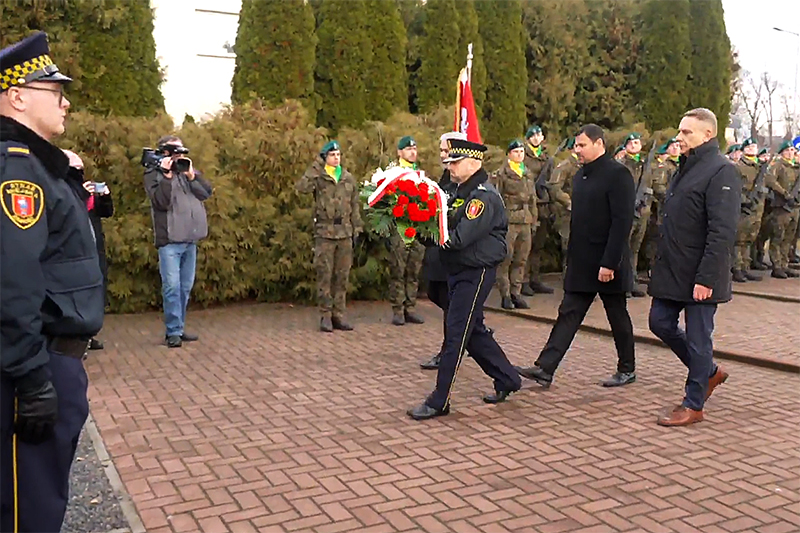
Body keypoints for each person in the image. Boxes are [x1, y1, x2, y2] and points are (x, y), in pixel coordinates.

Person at [1, 31, 105, 533]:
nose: (65, 101)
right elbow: (12, 281)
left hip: (53, 359)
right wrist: (31, 378)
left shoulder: (42, 166)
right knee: (29, 511)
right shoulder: (16, 171)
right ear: (17, 96)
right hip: (36, 363)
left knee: (41, 498)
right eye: (53, 89)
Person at [407, 138, 521, 420]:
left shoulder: (482, 197)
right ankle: (507, 377)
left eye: (455, 163)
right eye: (448, 162)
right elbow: (441, 224)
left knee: (457, 332)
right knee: (472, 329)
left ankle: (439, 400)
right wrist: (415, 226)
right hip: (457, 270)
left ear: (475, 163)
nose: (450, 167)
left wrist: (428, 233)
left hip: (475, 271)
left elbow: (457, 239)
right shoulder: (458, 191)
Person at [516, 124, 636, 389]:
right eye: (576, 145)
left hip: (608, 262)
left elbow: (621, 222)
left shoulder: (618, 175)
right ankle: (545, 368)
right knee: (568, 313)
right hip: (582, 261)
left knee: (617, 315)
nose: (577, 150)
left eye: (582, 145)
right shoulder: (581, 176)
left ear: (599, 144)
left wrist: (609, 262)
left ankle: (627, 368)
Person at [648, 108, 740, 427]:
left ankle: (693, 403)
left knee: (700, 340)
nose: (680, 137)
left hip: (701, 274)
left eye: (687, 132)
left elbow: (722, 230)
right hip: (673, 269)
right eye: (680, 130)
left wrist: (707, 278)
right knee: (659, 322)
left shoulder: (721, 171)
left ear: (707, 135)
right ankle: (709, 373)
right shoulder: (684, 169)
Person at [144, 135, 212, 347]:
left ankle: (179, 328)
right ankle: (172, 331)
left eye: (182, 152)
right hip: (170, 241)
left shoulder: (185, 170)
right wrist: (166, 175)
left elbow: (206, 193)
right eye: (175, 153)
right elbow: (161, 202)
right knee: (172, 287)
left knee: (184, 287)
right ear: (164, 153)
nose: (179, 157)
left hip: (190, 239)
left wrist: (191, 175)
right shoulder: (153, 174)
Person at [296, 141, 363, 332]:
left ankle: (338, 315)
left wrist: (357, 228)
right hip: (325, 233)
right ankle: (325, 315)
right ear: (325, 157)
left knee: (342, 277)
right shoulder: (319, 177)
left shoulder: (348, 178)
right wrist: (316, 166)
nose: (336, 158)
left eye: (338, 154)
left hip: (344, 233)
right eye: (332, 154)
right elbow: (301, 187)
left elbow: (354, 205)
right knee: (325, 275)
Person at [64, 149, 114, 350]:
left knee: (97, 289)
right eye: (74, 169)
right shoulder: (62, 189)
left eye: (81, 168)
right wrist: (81, 194)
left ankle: (90, 334)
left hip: (95, 248)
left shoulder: (89, 192)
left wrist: (105, 196)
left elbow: (107, 212)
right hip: (74, 253)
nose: (79, 173)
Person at [492, 139, 537, 310]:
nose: (520, 155)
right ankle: (505, 294)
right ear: (509, 154)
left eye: (522, 152)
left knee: (521, 259)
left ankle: (516, 293)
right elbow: (496, 198)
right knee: (506, 259)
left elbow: (533, 198)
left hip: (525, 220)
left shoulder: (527, 173)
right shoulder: (501, 174)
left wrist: (533, 219)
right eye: (516, 152)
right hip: (509, 220)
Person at [387, 136, 425, 325]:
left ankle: (410, 307)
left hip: (417, 228)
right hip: (400, 228)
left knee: (413, 270)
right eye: (408, 149)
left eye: (414, 149)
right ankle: (398, 309)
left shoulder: (420, 174)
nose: (412, 152)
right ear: (399, 152)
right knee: (398, 269)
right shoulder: (393, 174)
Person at [521, 125, 555, 295]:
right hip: (529, 204)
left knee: (538, 246)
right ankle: (523, 280)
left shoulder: (546, 158)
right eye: (533, 135)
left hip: (543, 205)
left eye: (539, 134)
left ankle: (535, 279)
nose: (536, 138)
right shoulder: (523, 156)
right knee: (526, 245)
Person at [762, 140, 800, 279]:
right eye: (788, 150)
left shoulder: (796, 167)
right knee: (778, 236)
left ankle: (784, 264)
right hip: (782, 206)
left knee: (789, 238)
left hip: (795, 207)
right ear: (783, 152)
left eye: (792, 150)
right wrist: (784, 193)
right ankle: (776, 266)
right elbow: (770, 180)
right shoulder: (778, 165)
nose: (791, 152)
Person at [731, 137, 765, 283]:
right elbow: (734, 187)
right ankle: (737, 269)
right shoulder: (737, 167)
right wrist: (745, 201)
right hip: (743, 208)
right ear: (743, 150)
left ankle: (745, 267)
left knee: (750, 240)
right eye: (749, 147)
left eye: (754, 147)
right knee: (739, 240)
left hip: (757, 209)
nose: (752, 149)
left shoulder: (760, 167)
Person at [546, 137, 579, 273]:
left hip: (585, 212)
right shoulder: (565, 166)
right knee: (569, 247)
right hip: (568, 213)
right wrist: (568, 202)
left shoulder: (587, 166)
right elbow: (554, 188)